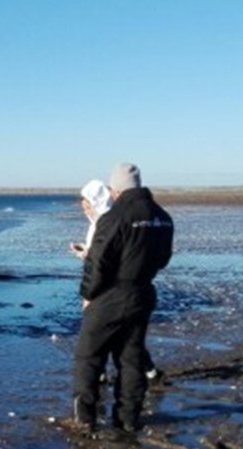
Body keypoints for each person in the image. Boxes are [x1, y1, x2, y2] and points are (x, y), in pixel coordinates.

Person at [72, 163, 174, 433]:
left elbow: (98, 263)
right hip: (142, 293)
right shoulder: (162, 217)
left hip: (110, 295)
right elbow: (163, 259)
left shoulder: (114, 217)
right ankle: (127, 418)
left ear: (114, 190)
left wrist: (87, 294)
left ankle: (85, 420)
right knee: (131, 357)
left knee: (88, 357)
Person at [69, 178, 165, 386]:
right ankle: (142, 373)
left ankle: (135, 375)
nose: (82, 205)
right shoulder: (101, 221)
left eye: (86, 201)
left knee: (111, 338)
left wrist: (88, 294)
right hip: (112, 287)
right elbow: (102, 257)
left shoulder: (108, 221)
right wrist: (85, 253)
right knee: (124, 338)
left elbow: (105, 261)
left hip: (108, 289)